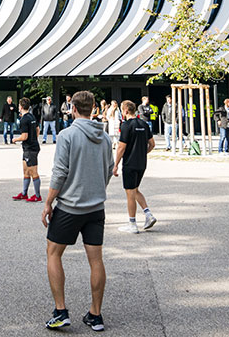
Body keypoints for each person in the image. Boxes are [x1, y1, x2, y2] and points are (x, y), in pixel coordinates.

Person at [41, 90, 113, 332]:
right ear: (93, 108)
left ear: (72, 108)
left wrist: (48, 202)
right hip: (96, 208)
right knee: (96, 260)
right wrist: (96, 190)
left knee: (53, 253)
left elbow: (60, 172)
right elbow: (109, 169)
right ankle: (96, 314)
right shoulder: (105, 138)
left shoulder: (67, 135)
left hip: (70, 207)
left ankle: (60, 311)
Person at [113, 100, 156, 234]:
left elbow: (121, 147)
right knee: (135, 190)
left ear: (125, 111)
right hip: (141, 163)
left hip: (130, 164)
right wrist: (143, 153)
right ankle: (148, 214)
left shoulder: (126, 126)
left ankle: (132, 224)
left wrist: (115, 165)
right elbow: (152, 144)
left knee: (130, 193)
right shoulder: (143, 124)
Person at [11, 98, 42, 202]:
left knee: (33, 172)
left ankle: (38, 196)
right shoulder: (31, 116)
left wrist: (15, 139)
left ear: (20, 107)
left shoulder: (24, 119)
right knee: (25, 171)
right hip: (29, 148)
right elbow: (38, 129)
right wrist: (35, 139)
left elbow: (24, 136)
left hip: (30, 149)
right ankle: (24, 193)